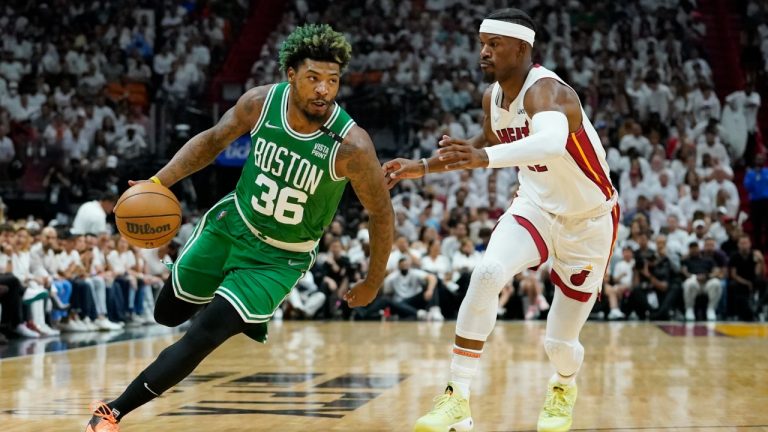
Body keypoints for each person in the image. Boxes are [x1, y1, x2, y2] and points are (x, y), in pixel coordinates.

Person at [85, 24, 394, 432]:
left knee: (202, 335)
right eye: (313, 78)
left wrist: (374, 281)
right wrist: (156, 183)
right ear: (291, 76)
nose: (323, 89)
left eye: (332, 81)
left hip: (279, 259)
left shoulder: (351, 144)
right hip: (233, 224)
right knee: (166, 314)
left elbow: (381, 213)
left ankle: (113, 412)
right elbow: (212, 142)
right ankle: (219, 288)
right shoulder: (261, 103)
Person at [383, 9, 619, 432]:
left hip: (589, 219)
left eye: (494, 44)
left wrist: (484, 159)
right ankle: (457, 397)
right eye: (482, 43)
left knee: (560, 343)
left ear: (522, 48)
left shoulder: (548, 91)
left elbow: (547, 143)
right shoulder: (493, 97)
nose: (484, 52)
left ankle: (563, 386)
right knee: (489, 271)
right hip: (535, 205)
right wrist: (420, 167)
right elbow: (484, 143)